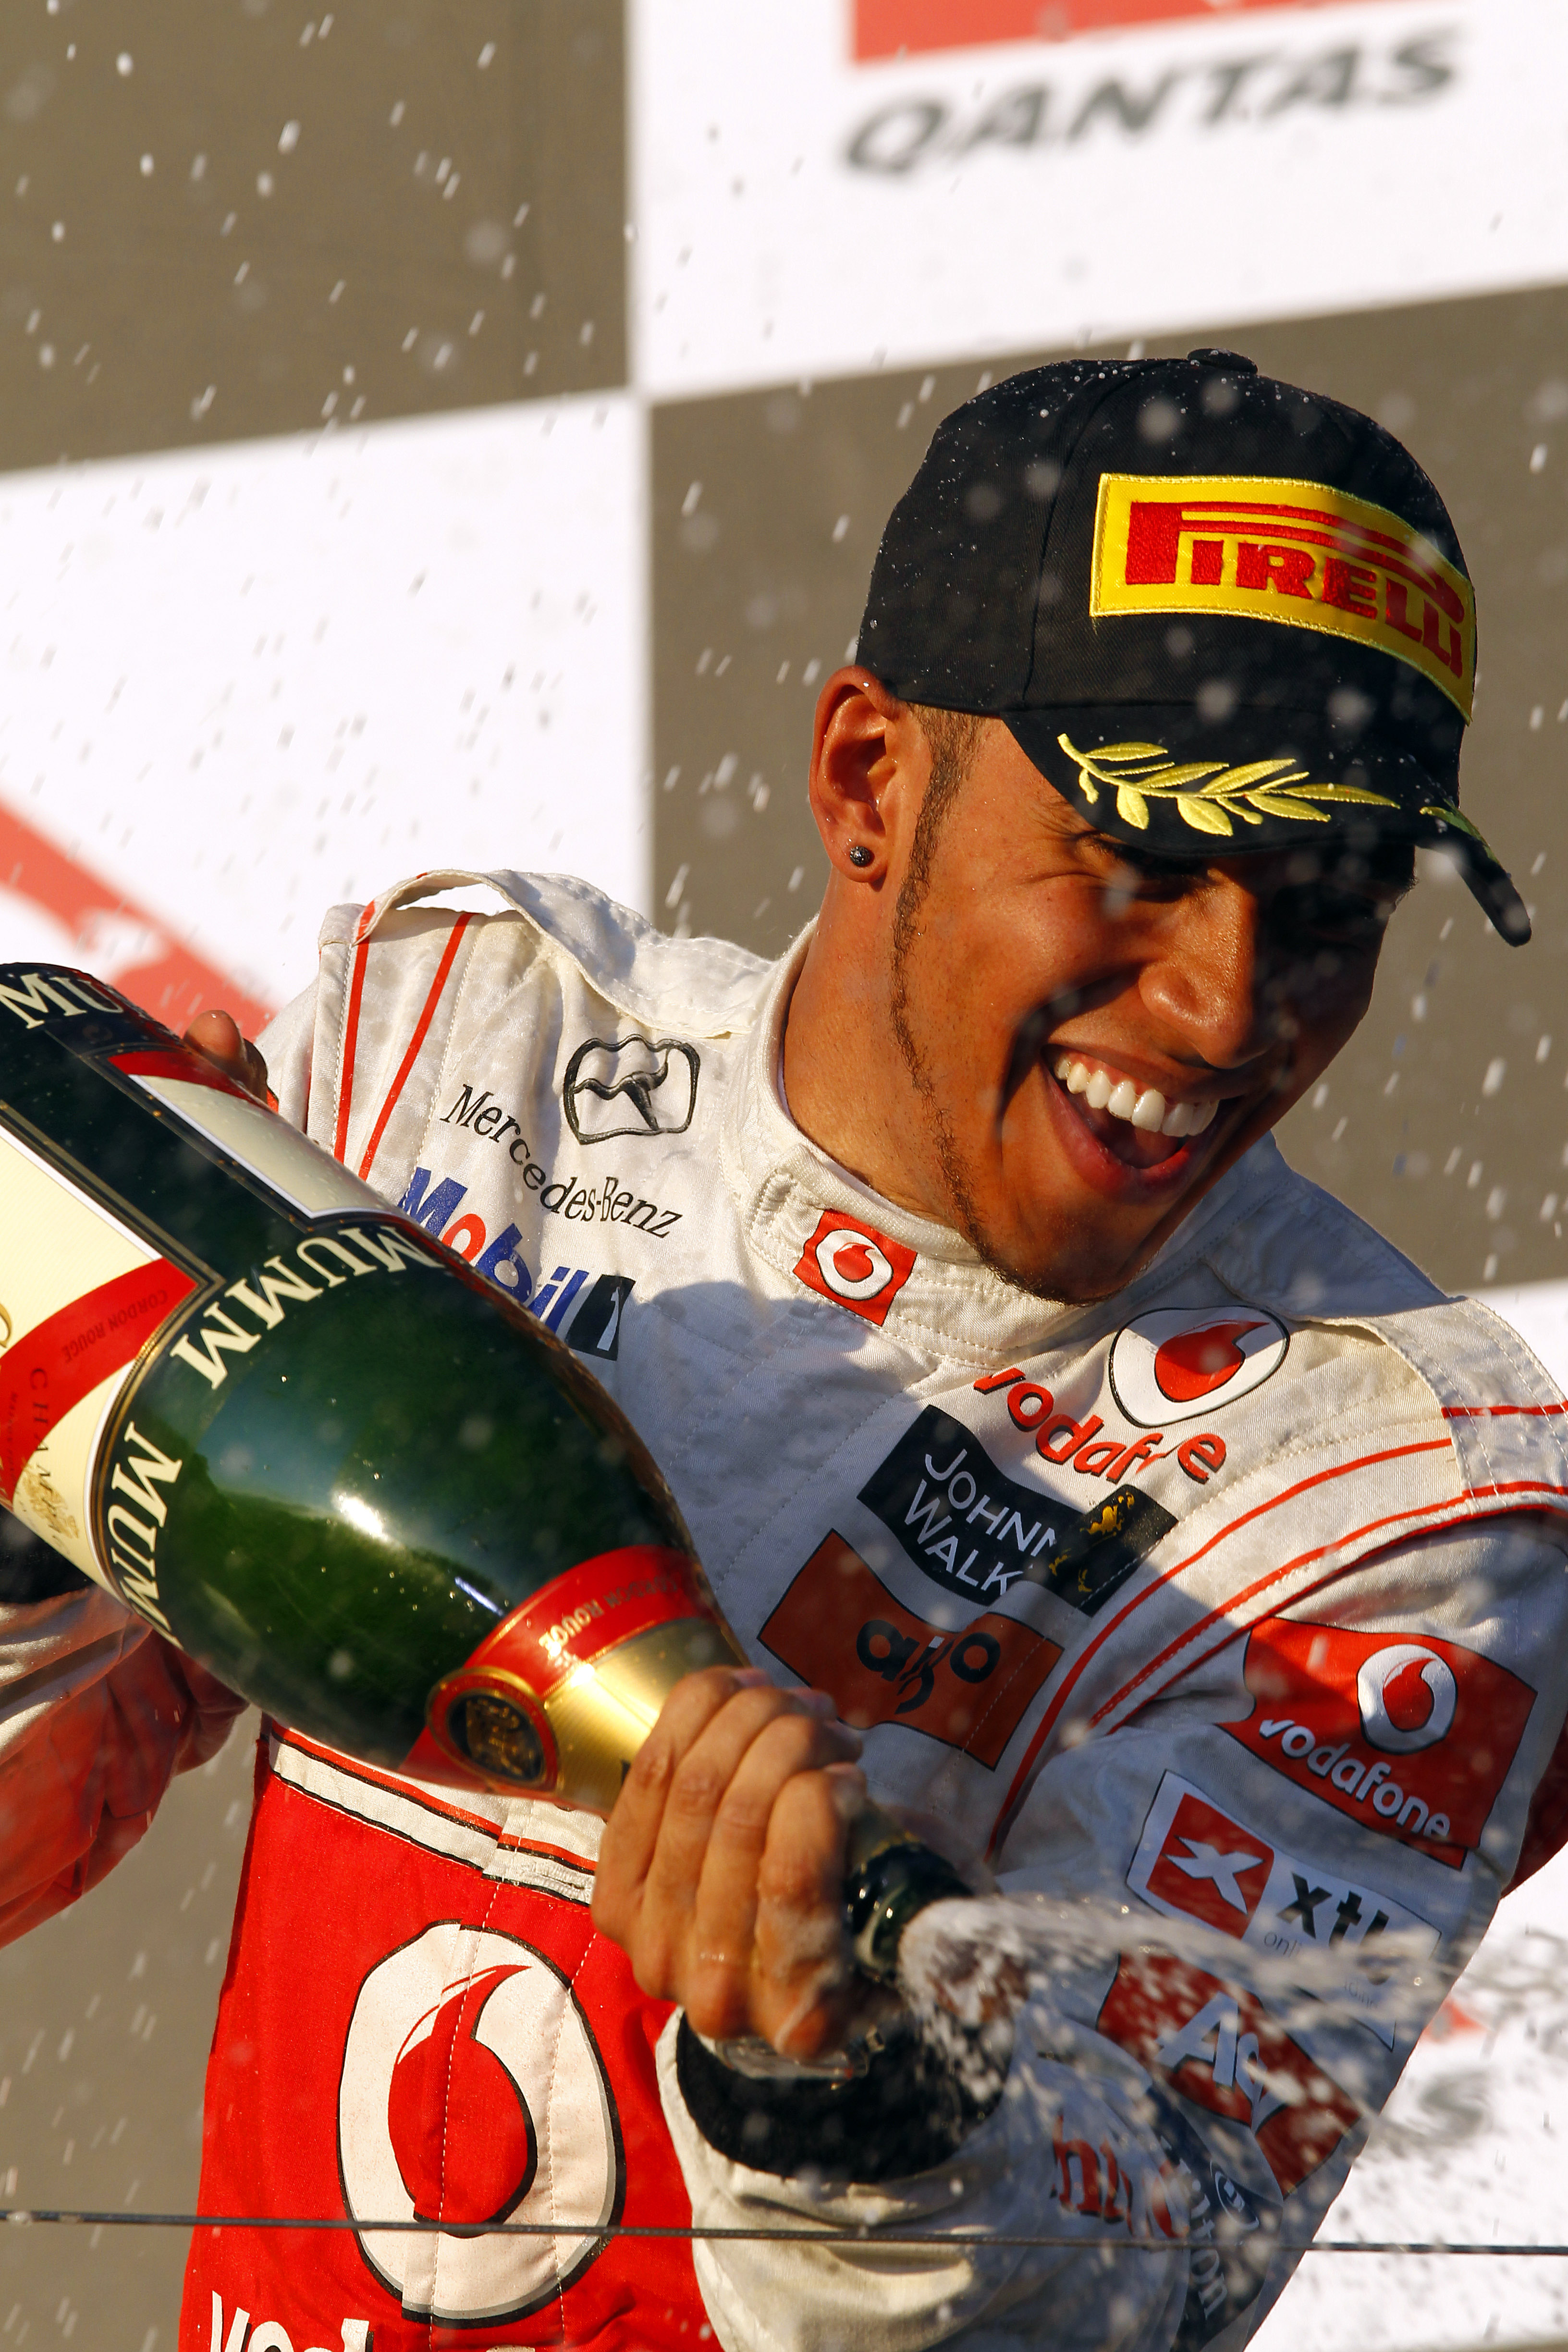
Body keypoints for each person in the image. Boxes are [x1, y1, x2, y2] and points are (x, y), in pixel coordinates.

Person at [3, 350, 1567, 2352]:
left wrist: (846, 2091)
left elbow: (1134, 2278)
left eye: (1331, 907)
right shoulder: (465, 1050)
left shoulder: (1405, 1500)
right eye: (1147, 861)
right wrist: (40, 1482)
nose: (1222, 1002)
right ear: (867, 780)